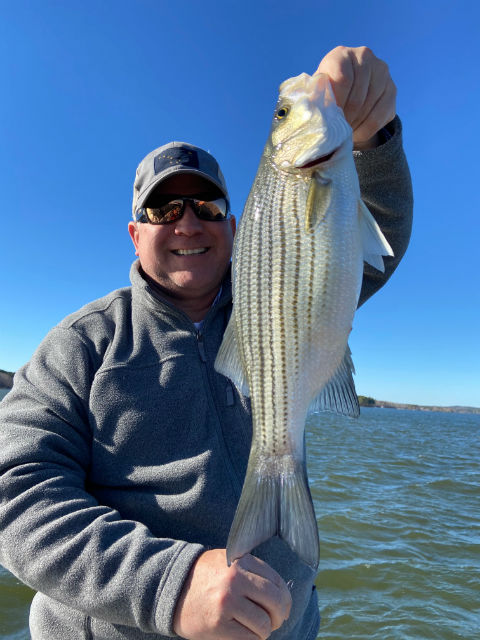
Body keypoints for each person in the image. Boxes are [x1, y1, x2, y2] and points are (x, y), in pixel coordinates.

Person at [0, 46, 412, 640]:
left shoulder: (279, 287)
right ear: (134, 233)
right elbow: (16, 492)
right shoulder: (80, 344)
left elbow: (377, 234)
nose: (187, 223)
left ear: (235, 226)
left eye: (207, 206)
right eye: (163, 208)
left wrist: (377, 139)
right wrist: (172, 586)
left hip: (277, 626)